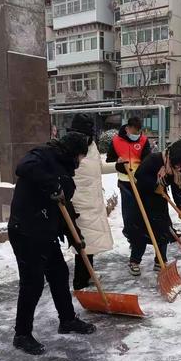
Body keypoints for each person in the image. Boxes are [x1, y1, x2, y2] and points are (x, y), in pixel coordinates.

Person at [8, 132, 96, 355]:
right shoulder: (43, 155)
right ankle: (22, 334)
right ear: (72, 152)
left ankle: (67, 320)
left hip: (45, 231)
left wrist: (76, 236)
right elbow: (23, 167)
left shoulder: (65, 170)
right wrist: (52, 185)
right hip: (26, 230)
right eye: (80, 156)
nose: (80, 161)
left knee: (58, 273)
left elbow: (64, 207)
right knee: (32, 283)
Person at [67, 114, 114, 290]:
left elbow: (99, 168)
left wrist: (118, 166)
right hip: (78, 200)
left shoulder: (92, 146)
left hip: (94, 200)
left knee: (91, 242)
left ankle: (88, 274)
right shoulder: (70, 147)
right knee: (82, 242)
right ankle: (79, 283)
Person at [131, 141, 181, 275]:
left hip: (160, 201)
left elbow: (176, 186)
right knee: (141, 233)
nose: (180, 166)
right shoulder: (153, 160)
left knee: (163, 231)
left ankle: (160, 260)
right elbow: (139, 176)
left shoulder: (175, 167)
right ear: (172, 156)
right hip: (143, 200)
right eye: (179, 162)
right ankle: (134, 261)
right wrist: (154, 186)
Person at [106, 117, 151, 275]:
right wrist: (118, 164)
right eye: (134, 131)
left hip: (140, 182)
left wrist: (140, 173)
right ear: (128, 128)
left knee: (142, 218)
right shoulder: (116, 141)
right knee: (129, 217)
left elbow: (147, 160)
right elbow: (109, 160)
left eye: (139, 131)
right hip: (125, 183)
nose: (136, 134)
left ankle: (137, 247)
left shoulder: (144, 141)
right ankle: (132, 237)